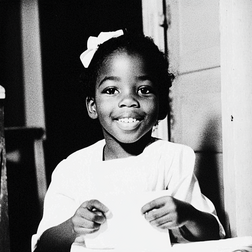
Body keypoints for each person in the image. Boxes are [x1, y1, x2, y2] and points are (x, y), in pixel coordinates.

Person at [32, 29, 225, 252]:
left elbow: (213, 233)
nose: (128, 100)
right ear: (92, 106)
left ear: (161, 106)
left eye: (144, 90)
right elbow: (43, 247)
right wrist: (72, 226)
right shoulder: (73, 170)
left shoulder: (171, 160)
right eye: (112, 90)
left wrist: (186, 214)